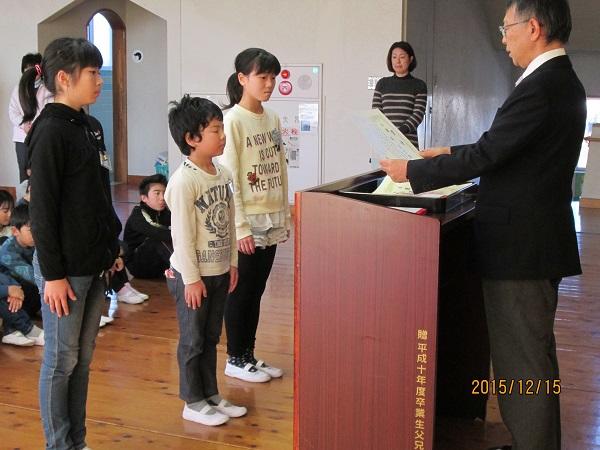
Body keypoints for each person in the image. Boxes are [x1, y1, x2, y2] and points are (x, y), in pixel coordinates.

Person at [380, 1, 585, 449]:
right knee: (532, 357)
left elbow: (491, 154)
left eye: (507, 28)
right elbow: (504, 147)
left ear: (534, 27)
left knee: (523, 361)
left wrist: (412, 171)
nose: (504, 38)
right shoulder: (558, 81)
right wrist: (447, 152)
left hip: (521, 249)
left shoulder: (544, 84)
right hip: (531, 243)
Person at [27, 37, 121, 450]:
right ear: (64, 78)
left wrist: (112, 248)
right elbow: (42, 211)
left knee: (81, 361)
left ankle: (77, 441)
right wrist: (53, 275)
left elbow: (99, 193)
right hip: (63, 269)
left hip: (93, 262)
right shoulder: (49, 131)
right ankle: (59, 444)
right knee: (60, 361)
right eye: (92, 73)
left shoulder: (89, 125)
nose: (99, 81)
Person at [165, 94, 244, 426]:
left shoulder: (223, 174)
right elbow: (182, 236)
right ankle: (192, 400)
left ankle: (210, 394)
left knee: (211, 337)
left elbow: (230, 220)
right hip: (192, 277)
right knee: (193, 340)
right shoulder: (184, 181)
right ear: (192, 138)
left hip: (219, 271)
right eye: (215, 130)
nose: (223, 136)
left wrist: (232, 263)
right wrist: (191, 279)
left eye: (222, 128)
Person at [220, 48, 290, 383]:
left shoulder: (272, 118)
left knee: (258, 289)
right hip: (248, 221)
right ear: (242, 79)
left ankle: (248, 354)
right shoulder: (232, 121)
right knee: (242, 291)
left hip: (272, 217)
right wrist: (241, 227)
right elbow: (231, 177)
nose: (269, 83)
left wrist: (285, 216)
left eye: (273, 77)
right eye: (262, 77)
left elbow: (280, 167)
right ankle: (234, 357)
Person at [0, 204, 44, 346]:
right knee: (17, 284)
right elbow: (32, 276)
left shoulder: (35, 244)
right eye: (31, 230)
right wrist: (12, 289)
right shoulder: (7, 251)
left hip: (21, 293)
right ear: (15, 231)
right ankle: (15, 330)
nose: (36, 233)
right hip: (11, 292)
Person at [372, 41, 427, 148]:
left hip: (408, 143)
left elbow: (418, 114)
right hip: (385, 141)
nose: (397, 61)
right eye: (394, 57)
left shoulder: (419, 85)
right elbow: (376, 113)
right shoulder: (382, 83)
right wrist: (387, 132)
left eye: (402, 57)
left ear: (410, 59)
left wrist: (399, 132)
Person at [8, 52, 53, 183]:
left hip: (41, 136)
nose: (30, 73)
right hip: (22, 138)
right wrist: (24, 125)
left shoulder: (48, 90)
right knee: (24, 173)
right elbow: (12, 111)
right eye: (26, 69)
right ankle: (24, 196)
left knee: (41, 171)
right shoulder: (17, 89)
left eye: (33, 69)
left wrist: (36, 126)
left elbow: (50, 111)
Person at [123, 173, 172, 280]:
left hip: (156, 263)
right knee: (158, 238)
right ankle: (181, 272)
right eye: (157, 193)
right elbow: (156, 231)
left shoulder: (164, 212)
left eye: (164, 193)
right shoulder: (138, 214)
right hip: (137, 264)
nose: (162, 198)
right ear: (144, 198)